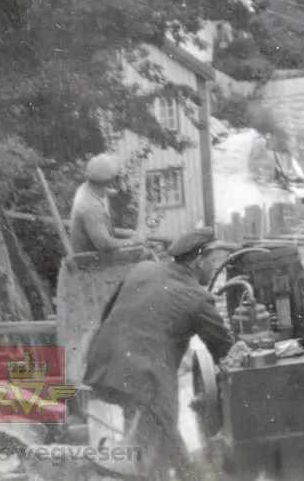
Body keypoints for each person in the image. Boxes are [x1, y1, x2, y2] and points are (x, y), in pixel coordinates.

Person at [83, 228, 235, 480]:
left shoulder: (144, 269)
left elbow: (108, 312)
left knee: (157, 439)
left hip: (106, 360)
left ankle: (153, 467)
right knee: (154, 449)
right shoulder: (198, 299)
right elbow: (226, 352)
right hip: (146, 378)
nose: (215, 267)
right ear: (199, 262)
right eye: (214, 261)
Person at [69, 154, 143, 253]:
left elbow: (122, 199)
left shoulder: (89, 189)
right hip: (87, 262)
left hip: (94, 255)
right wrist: (132, 242)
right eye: (117, 177)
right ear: (110, 180)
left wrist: (129, 233)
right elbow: (104, 244)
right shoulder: (91, 207)